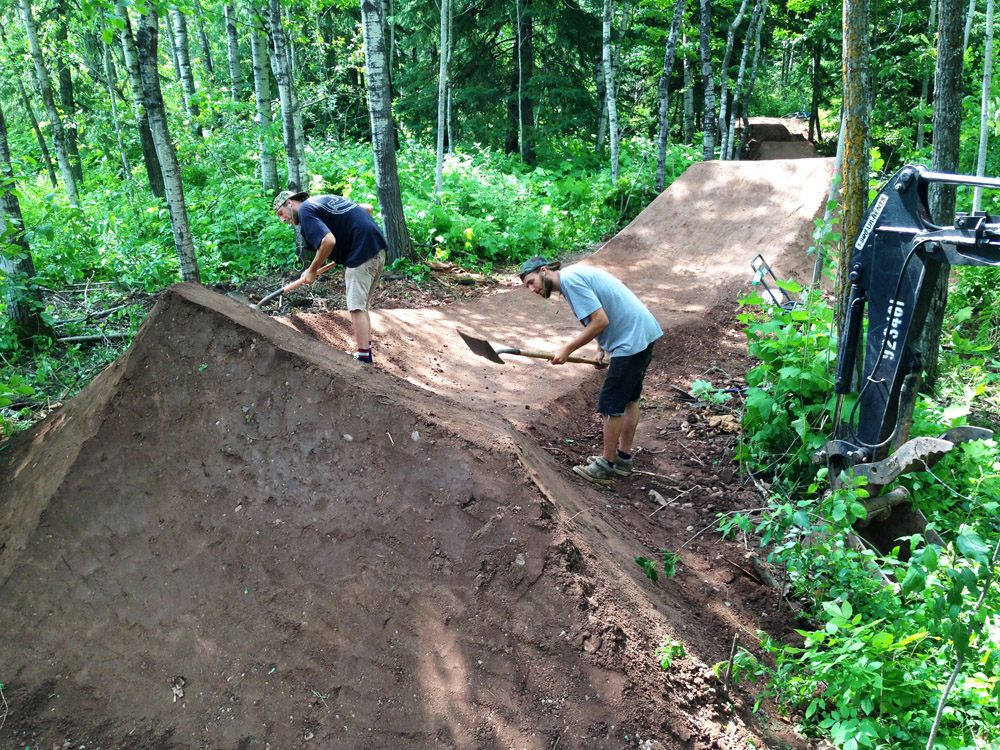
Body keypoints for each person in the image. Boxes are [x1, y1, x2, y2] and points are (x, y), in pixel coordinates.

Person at [519, 256, 663, 485]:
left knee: (611, 404)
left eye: (531, 282)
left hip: (631, 340)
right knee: (630, 400)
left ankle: (606, 466)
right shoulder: (573, 276)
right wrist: (601, 349)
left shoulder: (571, 282)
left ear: (544, 271)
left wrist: (568, 348)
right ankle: (623, 459)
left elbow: (600, 320)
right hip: (641, 333)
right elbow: (600, 312)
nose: (531, 289)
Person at [272, 190, 387, 364]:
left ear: (289, 202)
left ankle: (364, 358)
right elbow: (368, 209)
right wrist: (348, 239)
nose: (282, 219)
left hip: (362, 252)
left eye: (280, 213)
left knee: (356, 307)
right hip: (377, 249)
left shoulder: (305, 211)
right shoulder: (323, 201)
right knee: (361, 307)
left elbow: (328, 241)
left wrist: (312, 269)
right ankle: (366, 353)